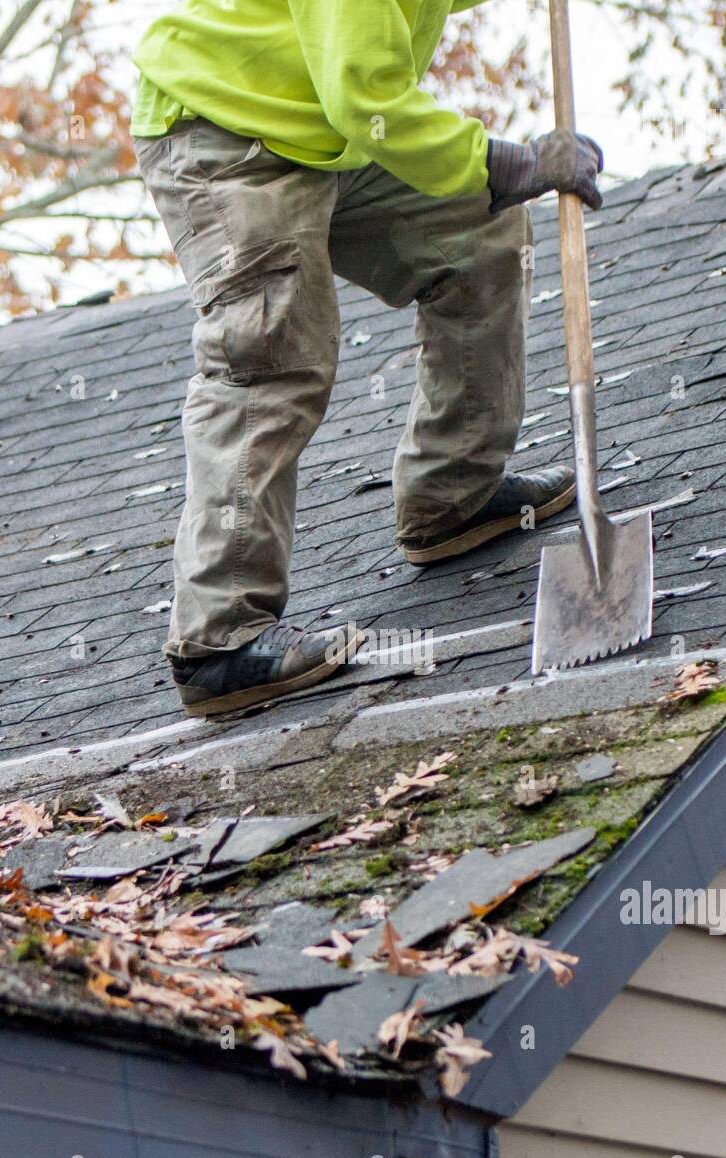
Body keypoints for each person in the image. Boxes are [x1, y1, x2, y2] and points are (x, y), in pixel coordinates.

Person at [131, 0, 603, 716]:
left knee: (476, 234)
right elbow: (363, 94)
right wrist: (510, 161)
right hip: (227, 134)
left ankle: (453, 494)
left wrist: (493, 180)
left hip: (323, 128)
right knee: (272, 351)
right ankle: (219, 641)